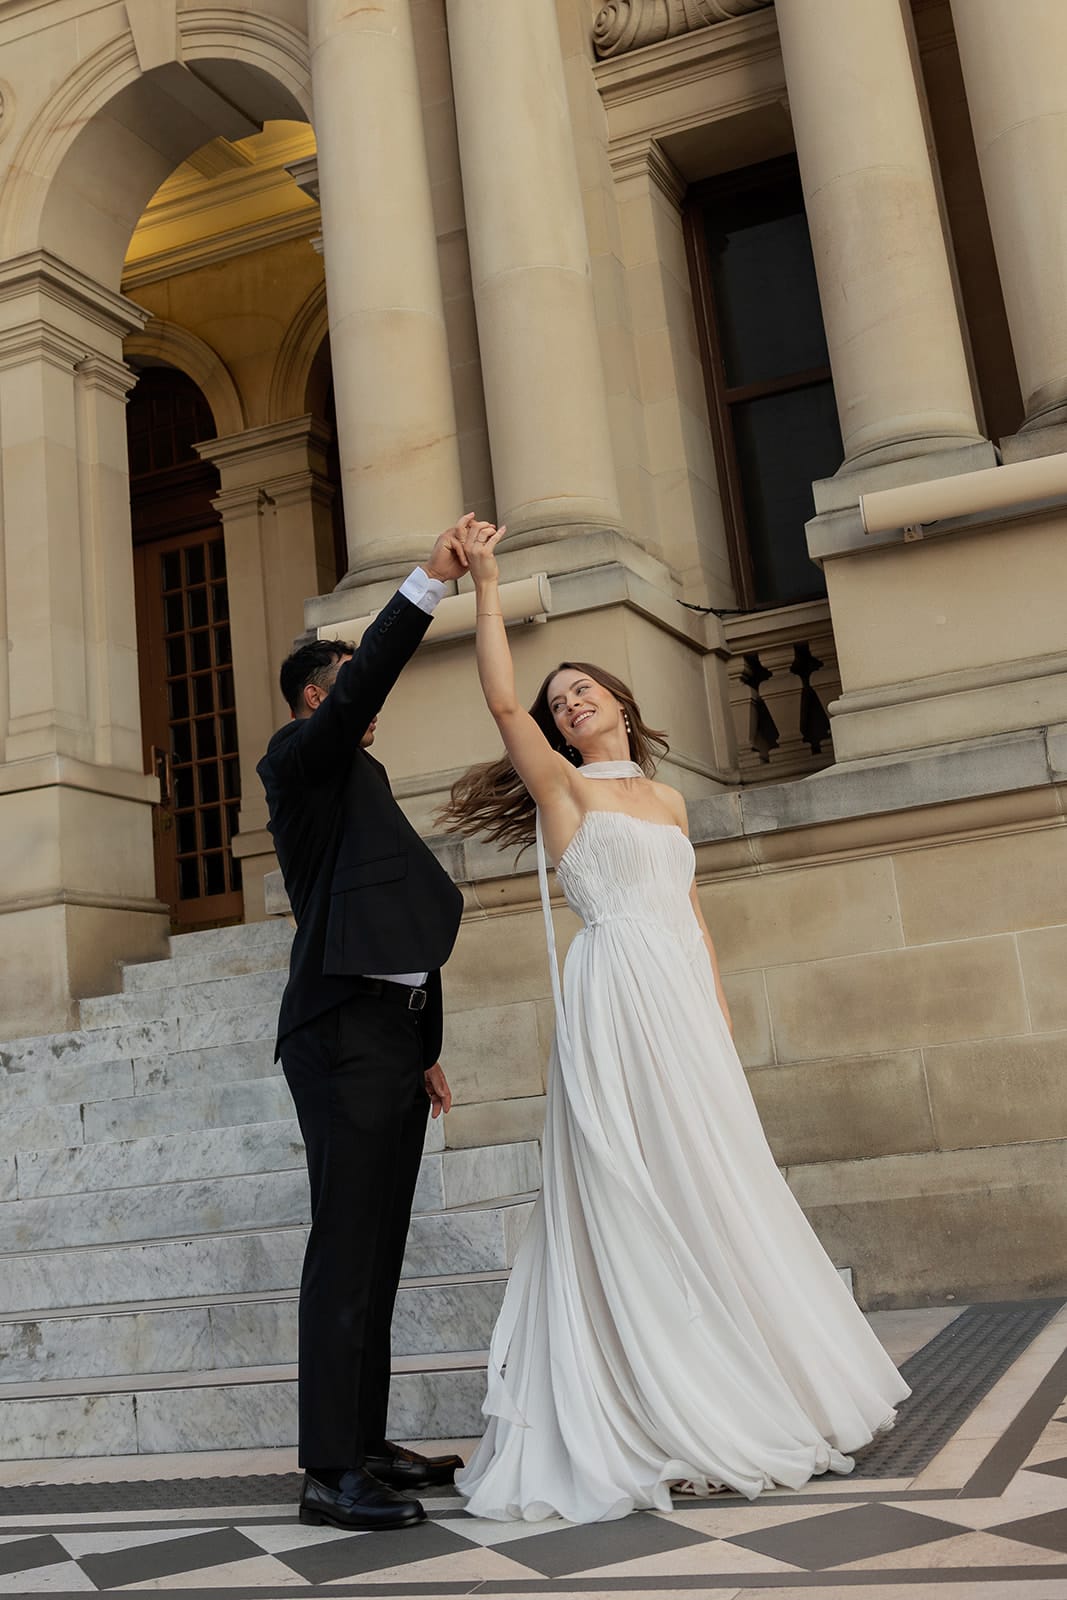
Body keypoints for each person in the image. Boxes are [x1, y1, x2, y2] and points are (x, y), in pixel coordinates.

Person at [439, 517, 910, 1524]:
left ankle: (745, 1380)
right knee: (633, 1179)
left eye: (582, 690)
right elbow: (498, 698)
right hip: (612, 989)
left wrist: (717, 1024)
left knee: (713, 1177)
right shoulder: (564, 787)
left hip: (680, 1001)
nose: (569, 703)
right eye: (558, 702)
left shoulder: (668, 799)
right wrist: (484, 585)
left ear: (619, 702)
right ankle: (656, 1402)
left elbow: (693, 918)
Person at [257, 516, 474, 1533]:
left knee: (379, 1246)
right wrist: (426, 581)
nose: (365, 705)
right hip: (339, 1030)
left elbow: (392, 920)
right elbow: (360, 689)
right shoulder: (298, 761)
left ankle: (366, 1441)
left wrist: (426, 1047)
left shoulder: (354, 780)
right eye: (346, 691)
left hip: (389, 1033)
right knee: (345, 1246)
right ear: (319, 698)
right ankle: (327, 1471)